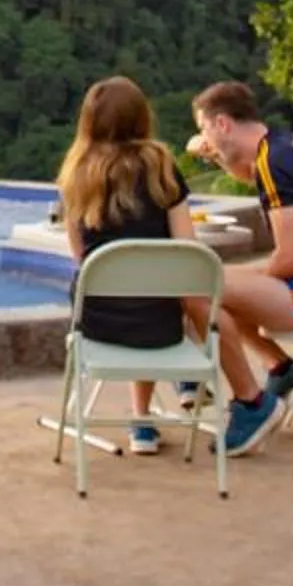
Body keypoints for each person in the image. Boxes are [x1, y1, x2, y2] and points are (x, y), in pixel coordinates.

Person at [188, 81, 293, 458]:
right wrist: (215, 154)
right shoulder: (278, 147)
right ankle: (281, 367)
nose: (203, 137)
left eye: (204, 128)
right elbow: (247, 174)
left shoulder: (275, 166)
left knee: (203, 285)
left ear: (222, 123)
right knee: (220, 284)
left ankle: (252, 405)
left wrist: (249, 283)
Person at [57, 75, 211, 455]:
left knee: (126, 288)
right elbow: (186, 249)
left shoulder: (75, 174)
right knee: (161, 290)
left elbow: (80, 256)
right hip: (158, 328)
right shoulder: (161, 166)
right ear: (142, 117)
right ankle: (155, 406)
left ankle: (146, 421)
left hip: (97, 324)